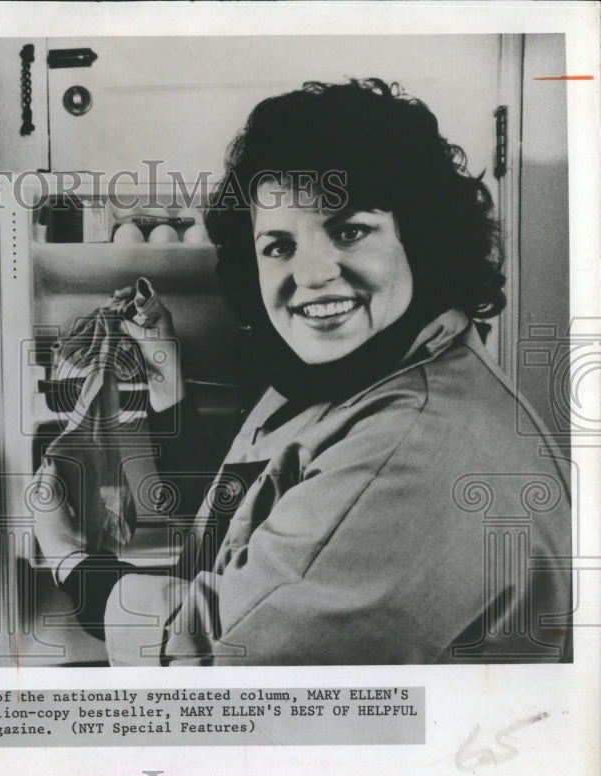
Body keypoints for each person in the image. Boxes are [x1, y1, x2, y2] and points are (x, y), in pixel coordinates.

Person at [32, 78, 572, 666]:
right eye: (279, 245)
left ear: (422, 237)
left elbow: (209, 658)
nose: (312, 274)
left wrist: (70, 559)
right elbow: (244, 499)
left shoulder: (413, 448)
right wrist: (161, 355)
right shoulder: (366, 366)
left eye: (349, 230)